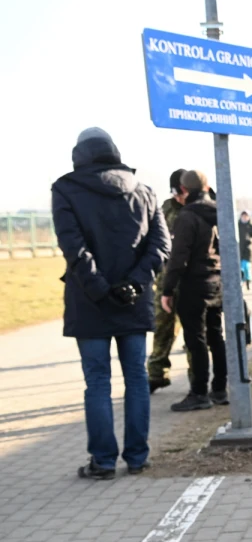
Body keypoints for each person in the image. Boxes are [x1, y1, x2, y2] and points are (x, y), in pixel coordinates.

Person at [52, 128, 170, 479]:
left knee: (98, 381)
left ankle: (103, 462)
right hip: (132, 302)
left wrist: (101, 288)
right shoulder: (145, 192)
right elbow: (161, 246)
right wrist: (133, 284)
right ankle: (137, 458)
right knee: (136, 377)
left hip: (89, 302)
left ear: (80, 156)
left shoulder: (65, 189)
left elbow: (72, 246)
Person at [161, 170, 227, 412]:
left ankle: (199, 392)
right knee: (216, 336)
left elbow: (179, 256)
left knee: (195, 340)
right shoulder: (220, 212)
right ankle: (220, 389)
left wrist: (167, 290)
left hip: (193, 285)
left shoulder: (187, 216)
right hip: (217, 283)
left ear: (184, 190)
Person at [147, 168, 188, 392]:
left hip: (190, 281)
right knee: (162, 327)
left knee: (192, 332)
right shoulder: (164, 210)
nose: (177, 196)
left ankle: (197, 380)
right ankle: (156, 374)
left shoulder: (198, 209)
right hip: (165, 279)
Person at [238, 210, 252, 290]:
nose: (244, 217)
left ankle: (248, 280)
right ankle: (241, 281)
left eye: (246, 216)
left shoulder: (251, 226)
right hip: (239, 248)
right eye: (243, 216)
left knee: (246, 266)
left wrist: (251, 241)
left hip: (248, 249)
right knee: (240, 266)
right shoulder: (238, 225)